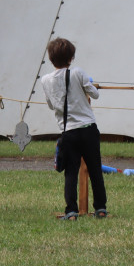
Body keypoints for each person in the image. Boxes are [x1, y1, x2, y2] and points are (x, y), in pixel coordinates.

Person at [40, 37, 107, 220]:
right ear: (71, 57)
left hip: (68, 132)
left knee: (71, 172)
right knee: (95, 170)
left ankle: (71, 211)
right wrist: (89, 85)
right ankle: (100, 209)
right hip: (88, 128)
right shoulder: (78, 73)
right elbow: (95, 94)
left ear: (51, 58)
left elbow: (51, 105)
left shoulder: (45, 80)